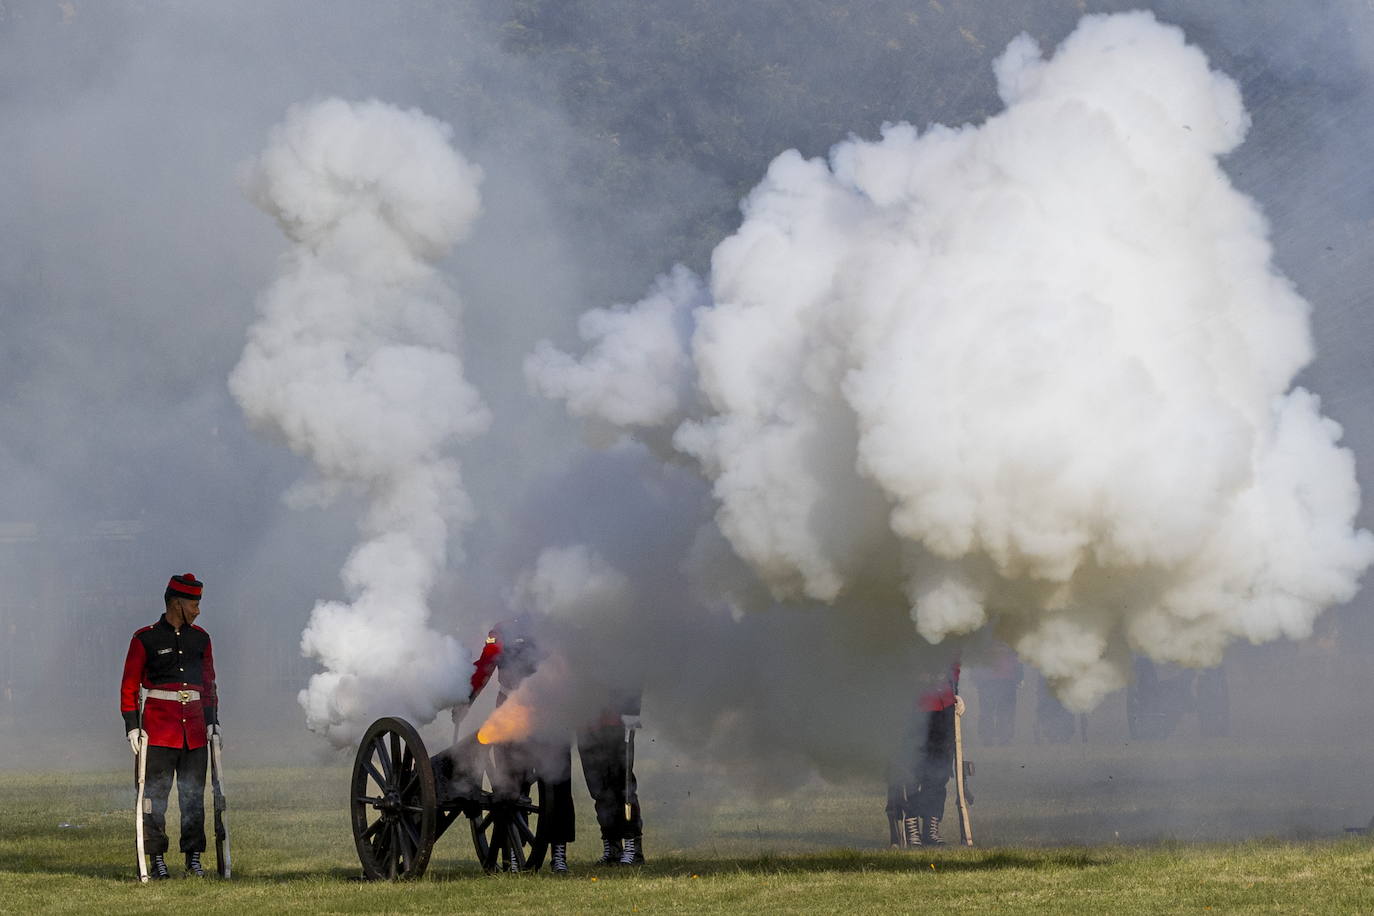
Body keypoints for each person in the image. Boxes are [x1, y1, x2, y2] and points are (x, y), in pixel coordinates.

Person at [453, 616, 576, 874]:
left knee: (558, 784)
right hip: (510, 710)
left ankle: (558, 853)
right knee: (510, 784)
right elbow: (485, 666)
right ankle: (513, 850)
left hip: (551, 710)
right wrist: (467, 698)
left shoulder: (557, 623)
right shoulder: (502, 630)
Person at [119, 573, 218, 879]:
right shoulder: (145, 638)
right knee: (154, 799)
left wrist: (214, 723)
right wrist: (132, 726)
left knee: (193, 798)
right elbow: (129, 686)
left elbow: (209, 684)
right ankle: (157, 858)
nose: (198, 610)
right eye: (194, 603)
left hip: (195, 733)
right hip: (159, 731)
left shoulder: (200, 638)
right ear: (177, 602)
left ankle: (193, 857)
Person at [886, 659, 960, 847]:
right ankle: (912, 825)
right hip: (914, 708)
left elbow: (954, 661)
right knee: (913, 770)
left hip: (944, 706)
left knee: (940, 771)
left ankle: (931, 826)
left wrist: (954, 692)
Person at [577, 686, 645, 866]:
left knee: (623, 786)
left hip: (616, 721)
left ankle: (632, 846)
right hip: (585, 722)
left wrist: (632, 710)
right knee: (598, 788)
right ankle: (611, 846)